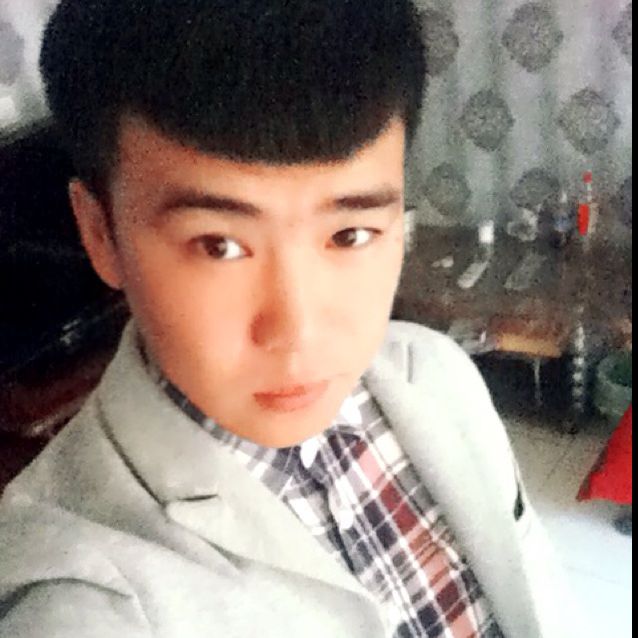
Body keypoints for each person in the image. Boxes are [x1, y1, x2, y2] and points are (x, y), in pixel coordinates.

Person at [0, 2, 576, 636]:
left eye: (350, 234)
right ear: (99, 232)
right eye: (219, 245)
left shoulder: (440, 374)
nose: (299, 332)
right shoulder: (81, 602)